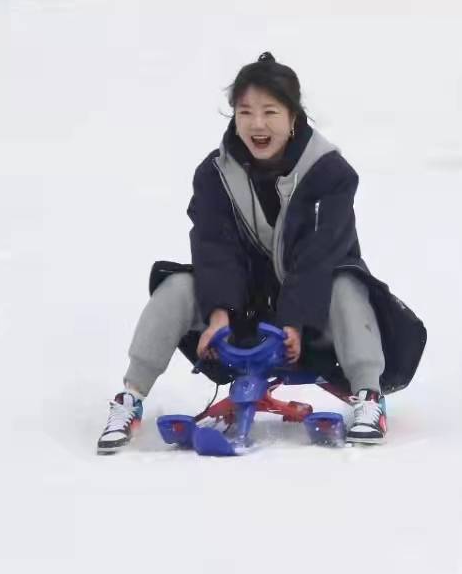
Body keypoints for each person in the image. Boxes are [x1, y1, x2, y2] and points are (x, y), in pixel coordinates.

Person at [97, 53, 425, 453]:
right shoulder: (214, 174)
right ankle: (130, 397)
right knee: (178, 285)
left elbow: (320, 254)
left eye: (270, 111)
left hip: (313, 317)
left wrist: (294, 322)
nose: (257, 124)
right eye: (245, 111)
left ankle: (369, 397)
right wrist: (220, 313)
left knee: (346, 282)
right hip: (243, 314)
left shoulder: (330, 173)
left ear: (293, 118)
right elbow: (213, 247)